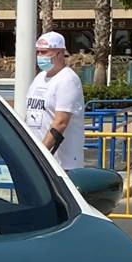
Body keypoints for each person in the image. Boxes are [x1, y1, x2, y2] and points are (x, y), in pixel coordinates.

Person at [21, 31, 85, 171]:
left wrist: (41, 154)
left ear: (60, 53)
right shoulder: (39, 78)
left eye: (45, 52)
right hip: (38, 160)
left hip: (61, 163)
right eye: (38, 52)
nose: (40, 56)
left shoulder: (68, 80)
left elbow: (61, 122)